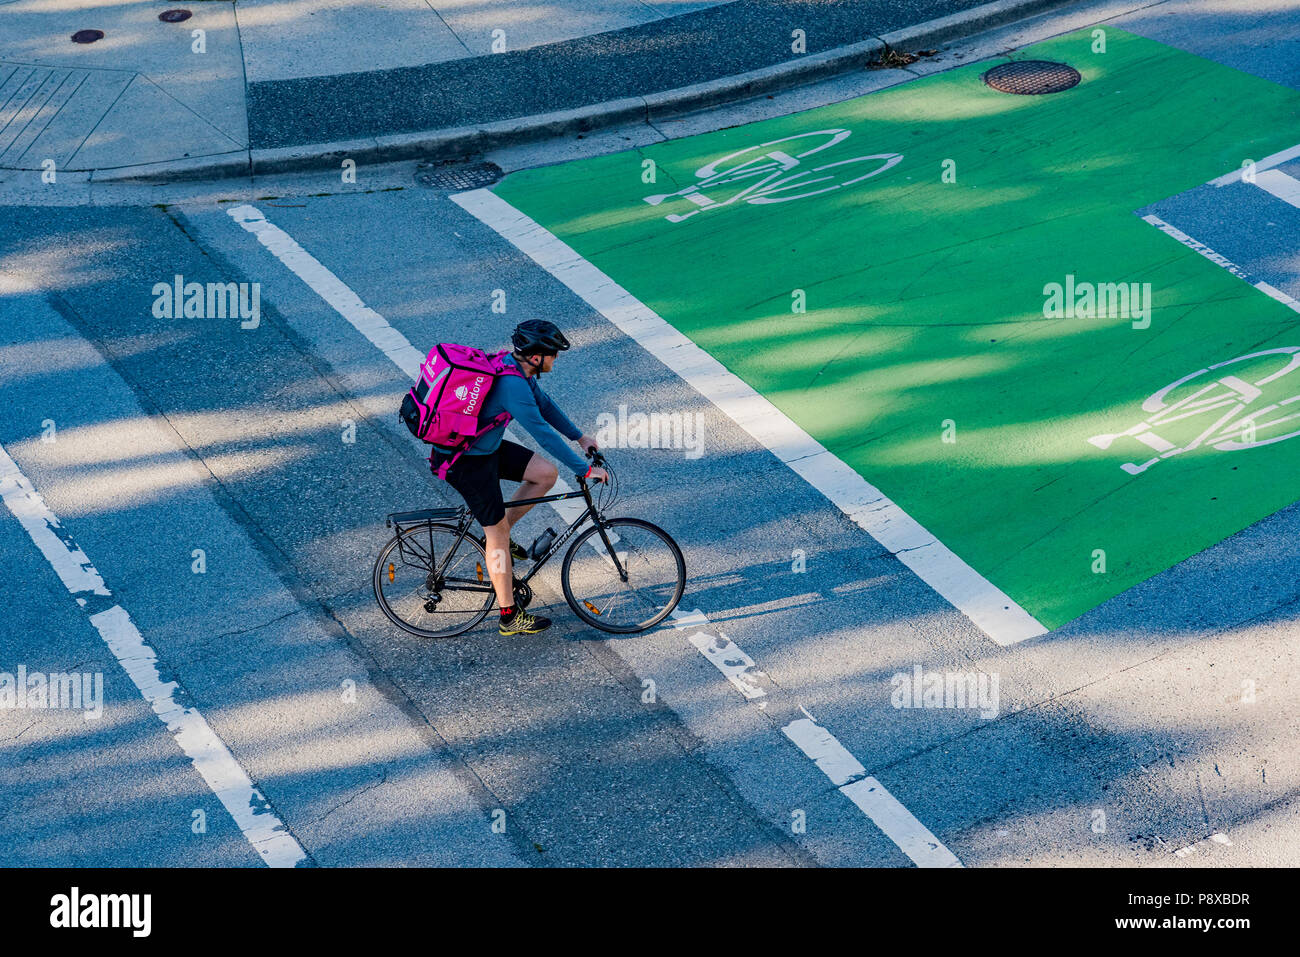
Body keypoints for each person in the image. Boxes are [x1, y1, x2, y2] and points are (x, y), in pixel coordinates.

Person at [431, 320, 608, 636]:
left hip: (484, 449)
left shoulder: (516, 370)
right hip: (465, 461)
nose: (556, 358)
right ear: (537, 356)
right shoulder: (513, 386)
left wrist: (581, 438)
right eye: (553, 353)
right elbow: (542, 433)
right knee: (496, 533)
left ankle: (497, 536)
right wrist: (583, 470)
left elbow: (546, 407)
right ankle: (509, 615)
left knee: (545, 474)